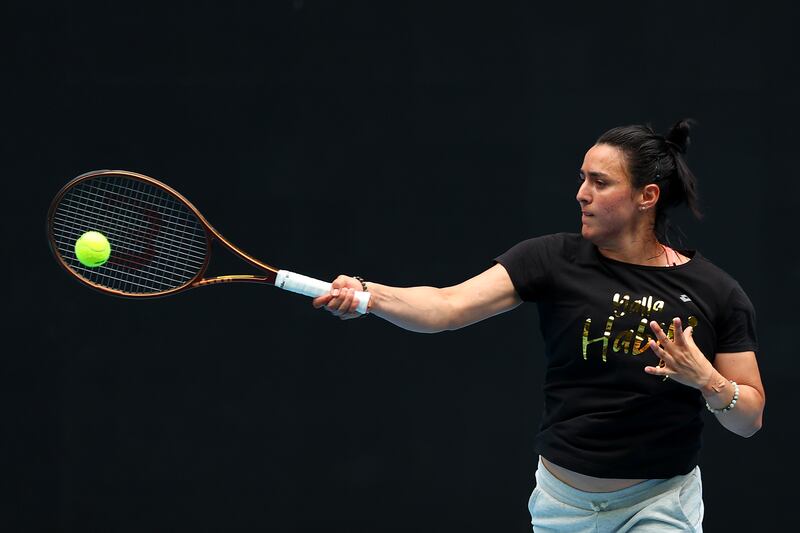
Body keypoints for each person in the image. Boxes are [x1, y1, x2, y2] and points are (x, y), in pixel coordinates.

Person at [312, 119, 765, 532]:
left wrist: (707, 379)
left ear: (647, 197)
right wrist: (368, 294)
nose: (581, 193)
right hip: (561, 505)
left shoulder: (716, 293)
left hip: (660, 504)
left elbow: (750, 420)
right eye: (582, 178)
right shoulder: (550, 259)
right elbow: (446, 306)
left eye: (600, 182)